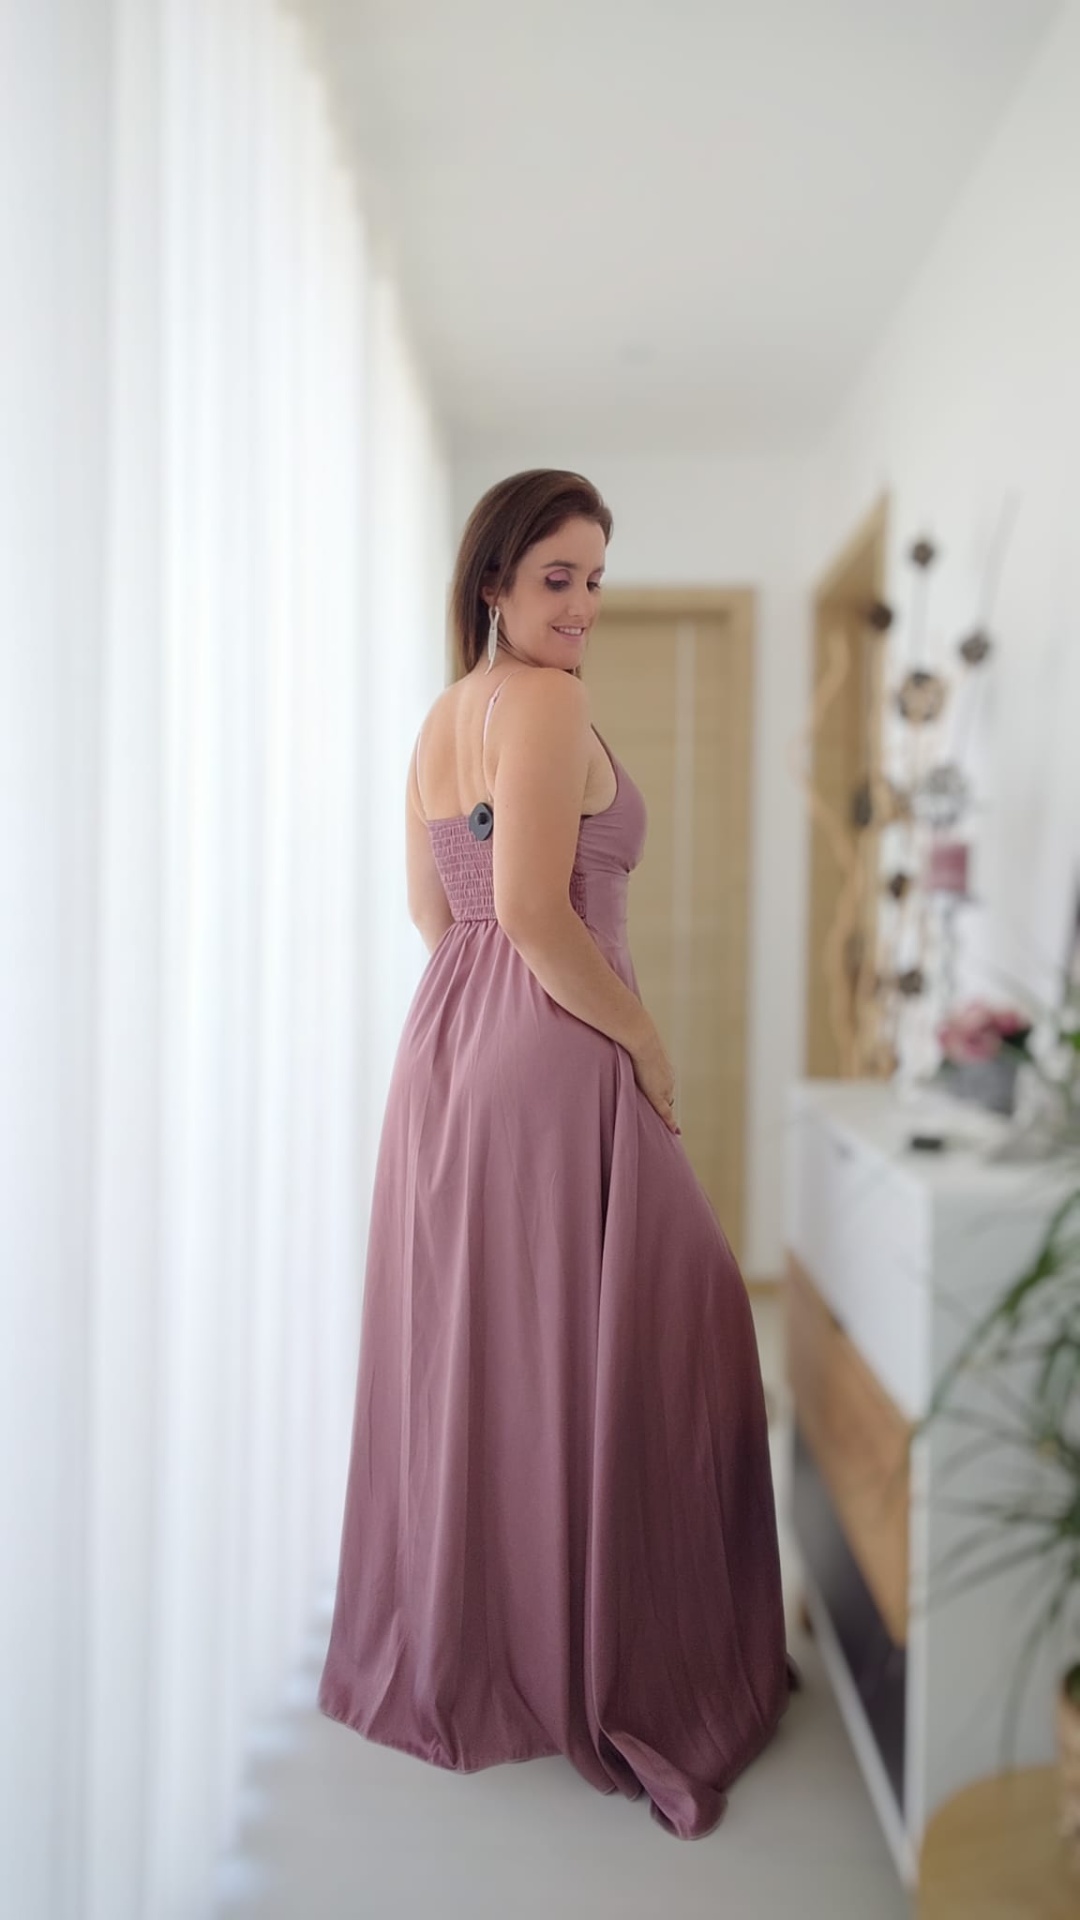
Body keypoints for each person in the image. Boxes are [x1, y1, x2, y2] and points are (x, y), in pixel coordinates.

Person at [317, 468, 799, 1840]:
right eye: (557, 578)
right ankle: (618, 1657)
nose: (584, 605)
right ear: (495, 583)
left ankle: (507, 1648)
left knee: (495, 1351)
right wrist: (643, 1043)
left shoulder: (443, 717)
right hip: (557, 1053)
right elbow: (533, 909)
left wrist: (493, 1034)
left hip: (448, 1056)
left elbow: (443, 916)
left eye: (596, 579)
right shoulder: (542, 703)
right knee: (672, 1326)